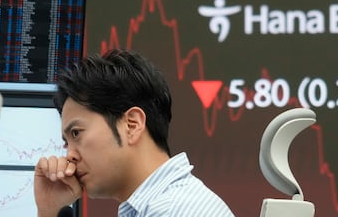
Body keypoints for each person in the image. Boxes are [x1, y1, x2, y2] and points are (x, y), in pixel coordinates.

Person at [34, 48, 235, 217]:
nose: (69, 155)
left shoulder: (174, 210)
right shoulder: (161, 205)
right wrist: (50, 210)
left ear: (132, 125)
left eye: (77, 133)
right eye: (67, 142)